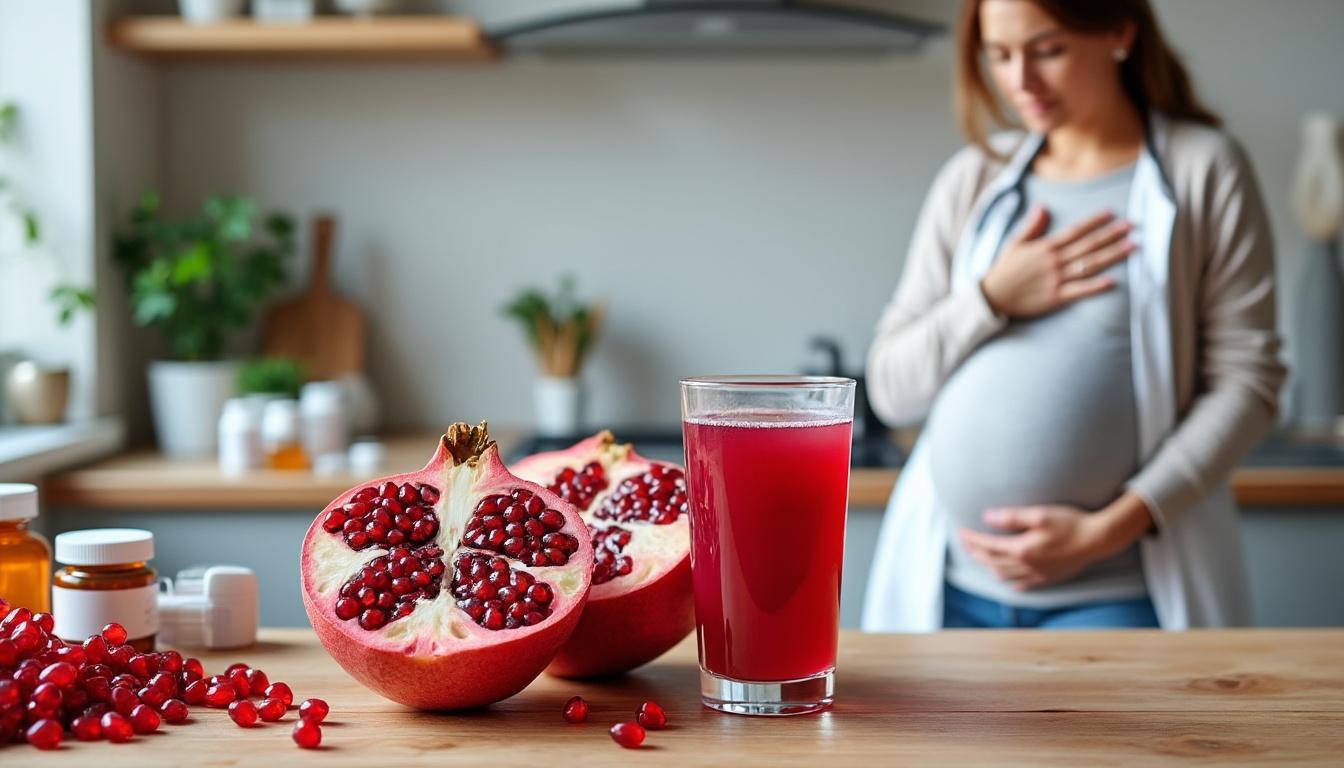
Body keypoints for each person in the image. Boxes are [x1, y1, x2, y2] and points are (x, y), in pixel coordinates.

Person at [861, 0, 1285, 631]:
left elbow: (1248, 384)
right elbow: (892, 390)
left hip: (1117, 586)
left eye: (1047, 50)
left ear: (1119, 30)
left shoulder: (1204, 170)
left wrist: (1107, 529)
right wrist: (993, 297)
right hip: (951, 584)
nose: (1019, 81)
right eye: (999, 55)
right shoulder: (976, 178)